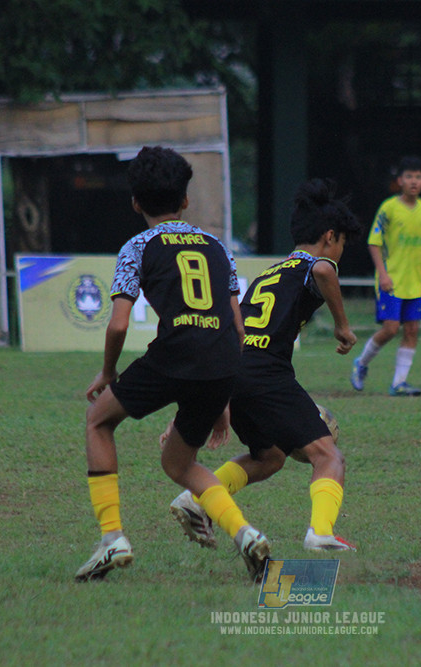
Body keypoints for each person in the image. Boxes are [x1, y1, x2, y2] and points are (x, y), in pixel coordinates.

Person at [75, 146, 270, 583]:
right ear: (185, 200)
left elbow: (119, 323)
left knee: (97, 422)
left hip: (175, 352)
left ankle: (112, 538)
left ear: (136, 203)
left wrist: (108, 373)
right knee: (179, 464)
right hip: (221, 361)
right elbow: (237, 327)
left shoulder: (137, 246)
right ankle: (245, 534)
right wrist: (222, 398)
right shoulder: (217, 246)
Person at [167, 178, 362, 552]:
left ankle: (197, 498)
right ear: (329, 237)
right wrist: (342, 326)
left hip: (234, 370)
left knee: (269, 456)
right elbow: (323, 271)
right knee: (328, 456)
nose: (339, 254)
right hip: (264, 370)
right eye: (341, 245)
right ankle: (321, 532)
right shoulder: (313, 264)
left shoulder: (272, 272)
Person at [350, 155, 421, 396]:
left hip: (414, 284)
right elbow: (374, 243)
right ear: (400, 180)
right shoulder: (389, 208)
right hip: (391, 281)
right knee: (390, 329)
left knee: (412, 330)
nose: (413, 181)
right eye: (409, 176)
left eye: (418, 177)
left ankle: (399, 383)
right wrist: (383, 274)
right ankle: (361, 363)